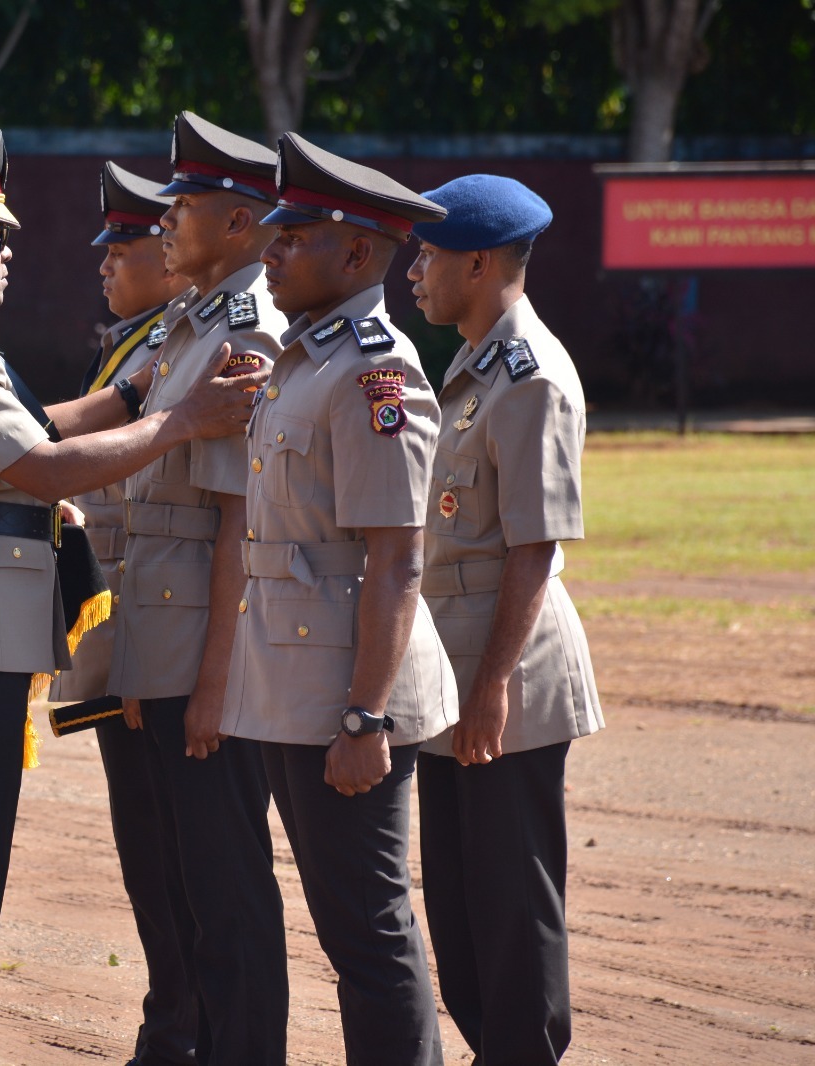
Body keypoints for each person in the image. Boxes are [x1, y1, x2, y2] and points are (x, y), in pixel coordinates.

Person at [0, 128, 265, 1065]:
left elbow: (32, 426)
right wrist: (181, 418)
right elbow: (41, 466)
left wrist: (134, 398)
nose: (9, 253)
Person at [220, 132, 457, 1066]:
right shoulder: (305, 359)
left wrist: (365, 718)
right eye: (274, 233)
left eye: (295, 236)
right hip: (293, 680)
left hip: (347, 697)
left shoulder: (372, 372)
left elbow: (396, 561)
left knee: (368, 928)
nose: (271, 250)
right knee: (347, 925)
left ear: (358, 253)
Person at [406, 173, 604, 1065]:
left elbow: (533, 547)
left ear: (480, 264)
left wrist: (490, 689)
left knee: (511, 914)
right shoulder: (478, 361)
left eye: (430, 256)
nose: (415, 272)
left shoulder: (530, 376)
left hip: (506, 675)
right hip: (460, 669)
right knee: (459, 916)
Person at [106, 110, 290, 1066]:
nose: (166, 219)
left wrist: (217, 680)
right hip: (165, 633)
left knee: (226, 888)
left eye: (185, 205)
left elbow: (238, 526)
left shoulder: (247, 331)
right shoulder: (193, 321)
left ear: (241, 222)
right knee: (185, 879)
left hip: (204, 648)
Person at [50, 160, 198, 1066]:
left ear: (169, 256)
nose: (104, 263)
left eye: (125, 246)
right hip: (125, 633)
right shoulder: (135, 345)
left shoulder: (173, 344)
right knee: (147, 851)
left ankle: (182, 1032)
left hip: (160, 636)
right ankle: (171, 1022)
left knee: (176, 855)